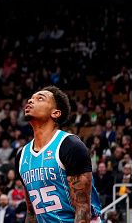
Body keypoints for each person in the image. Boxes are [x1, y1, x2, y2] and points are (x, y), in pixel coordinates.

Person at [15, 86, 102, 222]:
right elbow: (31, 212)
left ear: (55, 113)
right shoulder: (22, 155)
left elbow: (83, 210)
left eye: (40, 98)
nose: (31, 101)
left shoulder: (70, 145)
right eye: (31, 98)